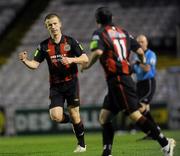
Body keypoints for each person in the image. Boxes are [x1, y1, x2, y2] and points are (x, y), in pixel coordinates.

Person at [81, 7, 175, 156]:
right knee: (104, 117)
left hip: (119, 78)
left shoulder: (99, 33)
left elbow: (97, 52)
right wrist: (143, 59)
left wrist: (86, 66)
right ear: (111, 18)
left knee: (135, 115)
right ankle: (107, 152)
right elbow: (139, 51)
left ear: (97, 20)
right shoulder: (124, 32)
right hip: (117, 80)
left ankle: (165, 143)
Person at [19, 13, 88, 153]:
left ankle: (82, 145)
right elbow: (35, 65)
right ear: (47, 27)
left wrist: (72, 60)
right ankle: (73, 121)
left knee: (75, 114)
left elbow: (85, 58)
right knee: (55, 116)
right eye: (50, 25)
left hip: (71, 83)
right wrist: (25, 61)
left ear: (60, 24)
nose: (53, 26)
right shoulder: (44, 46)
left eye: (55, 23)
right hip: (56, 86)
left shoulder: (70, 41)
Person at [131, 34, 160, 139]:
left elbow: (147, 68)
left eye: (142, 41)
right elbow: (134, 69)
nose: (140, 44)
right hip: (139, 84)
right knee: (144, 109)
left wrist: (138, 63)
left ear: (147, 43)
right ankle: (153, 132)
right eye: (138, 42)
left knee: (140, 107)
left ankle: (154, 130)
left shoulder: (151, 54)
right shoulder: (135, 55)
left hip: (148, 82)